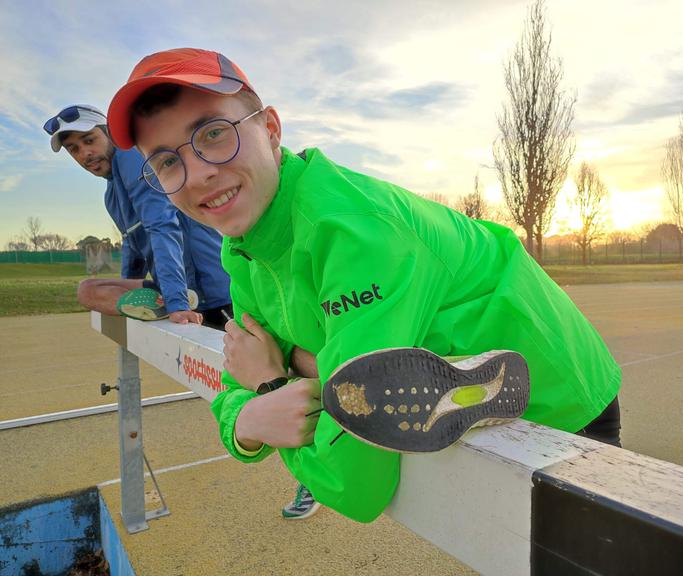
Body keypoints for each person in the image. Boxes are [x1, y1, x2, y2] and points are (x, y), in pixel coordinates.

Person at [106, 48, 622, 523]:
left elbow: (353, 484)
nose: (196, 175)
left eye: (214, 133)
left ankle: (343, 365)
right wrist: (246, 423)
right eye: (167, 162)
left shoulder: (356, 231)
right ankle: (340, 365)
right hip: (459, 388)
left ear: (271, 129)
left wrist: (274, 386)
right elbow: (236, 373)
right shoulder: (241, 246)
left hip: (559, 405)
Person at [44, 104, 233, 328]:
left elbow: (163, 227)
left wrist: (177, 303)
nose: (85, 153)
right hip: (173, 288)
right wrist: (128, 302)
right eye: (73, 149)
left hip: (211, 295)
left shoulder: (134, 160)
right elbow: (132, 248)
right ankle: (156, 306)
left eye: (89, 140)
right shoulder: (111, 194)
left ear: (109, 133)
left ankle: (171, 302)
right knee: (88, 290)